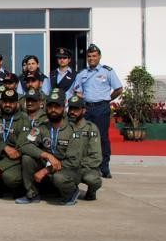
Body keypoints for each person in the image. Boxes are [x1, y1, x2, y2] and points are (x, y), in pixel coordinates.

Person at [17, 92, 91, 205]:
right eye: (50, 106)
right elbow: (24, 145)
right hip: (48, 165)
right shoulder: (41, 128)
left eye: (57, 106)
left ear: (63, 108)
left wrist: (46, 170)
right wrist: (46, 155)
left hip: (68, 170)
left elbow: (73, 162)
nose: (53, 110)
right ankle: (33, 194)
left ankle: (71, 192)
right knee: (27, 158)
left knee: (59, 178)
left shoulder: (73, 131)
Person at [71, 43, 123, 179]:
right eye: (89, 56)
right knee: (85, 137)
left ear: (99, 57)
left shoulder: (107, 71)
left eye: (94, 56)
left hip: (101, 108)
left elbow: (119, 89)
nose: (91, 58)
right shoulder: (82, 73)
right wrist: (82, 96)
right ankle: (87, 165)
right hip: (86, 108)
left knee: (102, 137)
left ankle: (104, 167)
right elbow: (76, 90)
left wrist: (106, 100)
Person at [66, 95, 103, 200]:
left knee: (92, 179)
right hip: (67, 166)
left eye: (76, 109)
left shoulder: (91, 128)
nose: (72, 112)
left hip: (85, 168)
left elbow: (96, 156)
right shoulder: (64, 126)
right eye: (71, 108)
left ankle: (91, 191)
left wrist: (79, 165)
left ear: (83, 110)